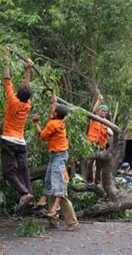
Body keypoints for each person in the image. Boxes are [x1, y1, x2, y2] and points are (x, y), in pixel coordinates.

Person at [32, 89, 79, 230]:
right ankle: (52, 219)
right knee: (51, 184)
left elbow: (42, 136)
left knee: (59, 191)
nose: (52, 109)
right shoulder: (59, 119)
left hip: (59, 156)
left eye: (54, 110)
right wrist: (53, 93)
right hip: (57, 155)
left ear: (56, 114)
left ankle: (72, 222)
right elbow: (54, 104)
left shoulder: (53, 124)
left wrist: (36, 123)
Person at [0, 52, 34, 210]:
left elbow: (7, 79)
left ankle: (24, 193)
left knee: (8, 171)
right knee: (23, 169)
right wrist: (28, 70)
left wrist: (6, 60)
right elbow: (27, 88)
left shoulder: (13, 102)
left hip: (9, 141)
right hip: (21, 142)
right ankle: (30, 199)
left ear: (18, 94)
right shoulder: (27, 106)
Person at [85, 94, 113, 183]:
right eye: (102, 110)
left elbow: (111, 133)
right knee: (90, 163)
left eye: (105, 111)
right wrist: (99, 100)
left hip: (101, 146)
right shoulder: (94, 118)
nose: (104, 112)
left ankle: (97, 182)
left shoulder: (107, 123)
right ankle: (89, 180)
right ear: (99, 111)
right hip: (92, 144)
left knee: (99, 165)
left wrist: (109, 130)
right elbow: (93, 110)